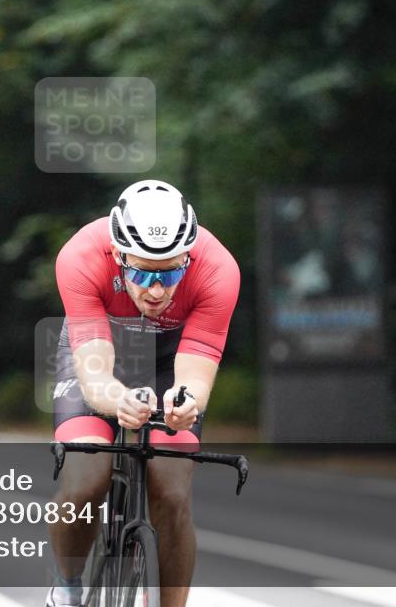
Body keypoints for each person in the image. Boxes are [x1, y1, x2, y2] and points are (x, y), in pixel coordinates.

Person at [47, 180, 240, 607]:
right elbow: (94, 372)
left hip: (168, 363)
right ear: (117, 256)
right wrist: (117, 402)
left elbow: (196, 367)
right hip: (100, 353)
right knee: (84, 480)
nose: (156, 290)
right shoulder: (81, 257)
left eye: (171, 273)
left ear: (188, 258)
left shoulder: (217, 270)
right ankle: (67, 587)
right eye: (142, 273)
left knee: (171, 493)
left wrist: (185, 402)